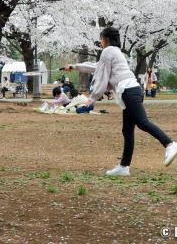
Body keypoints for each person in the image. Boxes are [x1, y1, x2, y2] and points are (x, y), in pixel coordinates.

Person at [66, 27, 177, 176]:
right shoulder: (114, 52)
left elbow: (102, 77)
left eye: (101, 39)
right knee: (127, 130)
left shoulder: (108, 51)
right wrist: (74, 67)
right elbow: (97, 67)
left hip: (128, 91)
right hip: (131, 91)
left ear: (106, 39)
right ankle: (124, 167)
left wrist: (92, 98)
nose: (100, 42)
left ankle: (170, 144)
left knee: (142, 122)